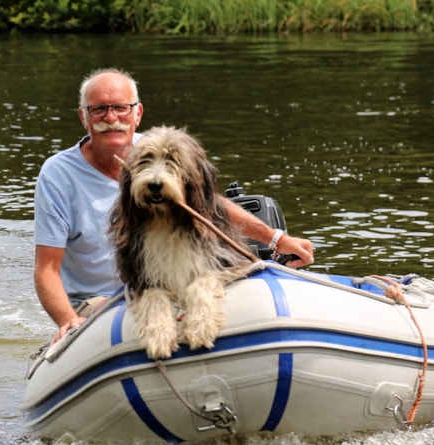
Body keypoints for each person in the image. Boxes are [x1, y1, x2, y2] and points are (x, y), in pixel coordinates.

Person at [34, 68, 314, 344]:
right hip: (102, 299)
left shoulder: (161, 149)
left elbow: (209, 203)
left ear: (137, 113)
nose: (111, 117)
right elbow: (47, 268)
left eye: (120, 107)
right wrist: (67, 320)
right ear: (83, 116)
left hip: (172, 278)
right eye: (98, 109)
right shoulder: (58, 174)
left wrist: (276, 239)